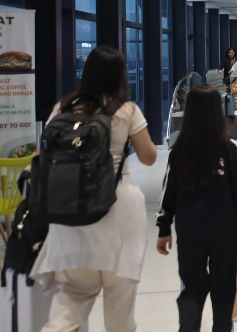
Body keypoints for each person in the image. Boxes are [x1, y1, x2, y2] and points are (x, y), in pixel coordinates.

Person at [31, 46, 158, 331]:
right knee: (119, 307)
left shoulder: (61, 108)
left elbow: (44, 155)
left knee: (70, 302)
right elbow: (149, 156)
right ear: (119, 77)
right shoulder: (126, 110)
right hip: (117, 212)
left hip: (69, 213)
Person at [155, 85, 237, 332]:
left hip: (189, 232)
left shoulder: (179, 151)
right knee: (224, 292)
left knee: (191, 289)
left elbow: (168, 192)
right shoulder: (232, 148)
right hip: (224, 233)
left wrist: (163, 227)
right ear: (218, 111)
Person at [219, 47, 237, 119]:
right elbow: (221, 66)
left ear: (234, 53)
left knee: (235, 90)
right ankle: (228, 105)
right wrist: (220, 70)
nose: (231, 54)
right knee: (228, 91)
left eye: (232, 52)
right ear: (227, 53)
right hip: (228, 78)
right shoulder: (225, 60)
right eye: (229, 53)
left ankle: (234, 106)